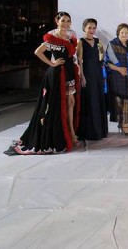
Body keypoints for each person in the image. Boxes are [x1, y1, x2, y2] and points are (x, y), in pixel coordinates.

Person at [5, 12, 81, 155]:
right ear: (57, 21)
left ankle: (71, 132)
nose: (65, 23)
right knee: (55, 104)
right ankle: (60, 134)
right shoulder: (52, 38)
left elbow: (73, 56)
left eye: (68, 21)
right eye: (63, 21)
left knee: (71, 103)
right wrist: (52, 64)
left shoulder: (71, 38)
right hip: (57, 75)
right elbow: (38, 52)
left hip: (69, 73)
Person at [105, 23, 128, 136]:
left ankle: (123, 123)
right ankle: (124, 125)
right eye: (122, 32)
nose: (124, 34)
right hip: (118, 78)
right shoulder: (112, 45)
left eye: (126, 33)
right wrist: (119, 69)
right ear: (118, 33)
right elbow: (107, 63)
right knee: (122, 102)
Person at [76, 18, 108, 141]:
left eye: (94, 28)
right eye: (89, 27)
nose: (92, 30)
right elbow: (80, 61)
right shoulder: (80, 41)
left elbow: (101, 58)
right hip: (87, 74)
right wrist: (82, 76)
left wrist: (103, 75)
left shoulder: (98, 41)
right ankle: (89, 131)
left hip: (98, 74)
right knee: (89, 100)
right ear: (84, 28)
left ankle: (100, 130)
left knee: (98, 100)